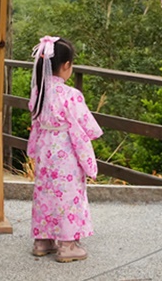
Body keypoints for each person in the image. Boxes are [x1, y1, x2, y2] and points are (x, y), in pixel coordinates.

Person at [26, 35, 103, 263]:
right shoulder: (71, 95)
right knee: (68, 195)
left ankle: (43, 241)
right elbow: (87, 125)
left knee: (45, 193)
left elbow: (35, 116)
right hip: (66, 151)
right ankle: (68, 245)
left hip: (45, 149)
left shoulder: (38, 92)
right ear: (66, 65)